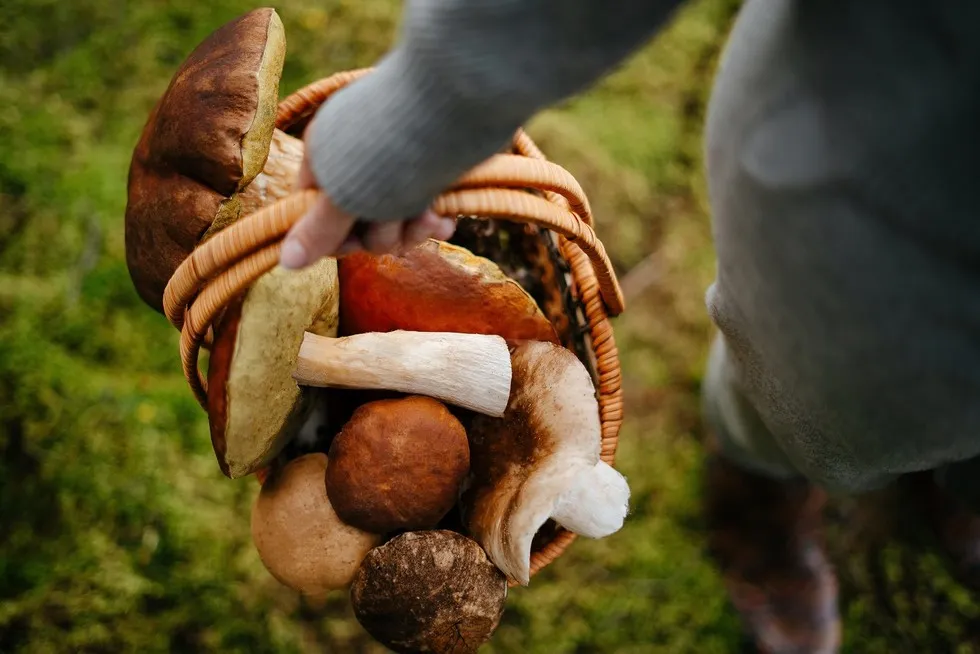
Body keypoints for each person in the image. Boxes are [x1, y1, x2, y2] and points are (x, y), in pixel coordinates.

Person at [280, 0, 980, 651]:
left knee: (945, 442)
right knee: (810, 390)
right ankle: (759, 483)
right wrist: (430, 105)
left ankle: (949, 486)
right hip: (862, 186)